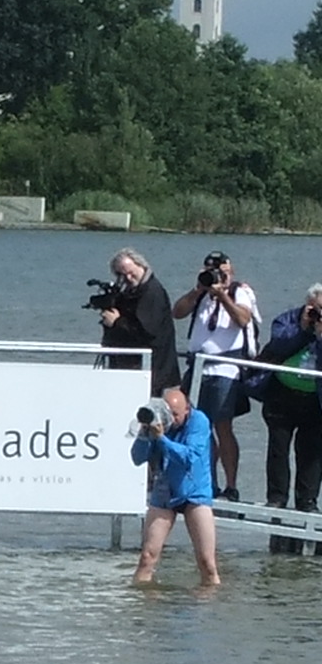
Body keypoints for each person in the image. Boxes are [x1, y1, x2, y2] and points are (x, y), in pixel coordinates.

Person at [171, 251, 256, 500]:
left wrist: (223, 295)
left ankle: (231, 486)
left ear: (232, 271)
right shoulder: (201, 294)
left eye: (223, 271)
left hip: (224, 368)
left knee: (222, 426)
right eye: (213, 271)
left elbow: (243, 319)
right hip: (198, 367)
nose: (218, 276)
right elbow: (177, 312)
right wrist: (199, 289)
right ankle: (208, 481)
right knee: (197, 426)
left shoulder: (240, 292)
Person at [253, 287, 322, 551]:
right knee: (278, 449)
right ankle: (277, 497)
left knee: (311, 453)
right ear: (307, 303)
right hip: (282, 394)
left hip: (314, 398)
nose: (317, 314)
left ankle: (307, 501)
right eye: (315, 308)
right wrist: (303, 328)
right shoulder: (287, 320)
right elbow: (278, 345)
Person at [132, 387, 218, 587]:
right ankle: (141, 600)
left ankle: (210, 600)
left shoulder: (199, 422)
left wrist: (162, 439)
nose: (172, 419)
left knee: (207, 563)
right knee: (147, 557)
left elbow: (188, 457)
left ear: (187, 409)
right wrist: (145, 433)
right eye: (169, 413)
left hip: (194, 493)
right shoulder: (159, 421)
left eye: (176, 415)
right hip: (165, 493)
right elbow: (137, 458)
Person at [97, 247, 180, 394]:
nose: (128, 278)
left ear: (141, 265)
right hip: (134, 368)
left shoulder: (152, 292)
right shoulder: (130, 292)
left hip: (155, 372)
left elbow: (147, 332)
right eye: (122, 275)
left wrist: (117, 321)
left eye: (131, 272)